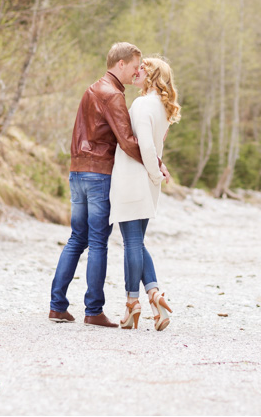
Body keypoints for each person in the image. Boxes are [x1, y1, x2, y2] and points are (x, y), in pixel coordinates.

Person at [48, 43, 169, 327]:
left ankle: (57, 306)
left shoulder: (92, 89)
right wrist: (157, 164)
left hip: (77, 171)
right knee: (98, 241)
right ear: (121, 64)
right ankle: (93, 310)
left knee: (77, 239)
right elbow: (127, 142)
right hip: (99, 174)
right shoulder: (113, 95)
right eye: (135, 65)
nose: (137, 71)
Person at [110, 56, 180, 331]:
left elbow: (147, 148)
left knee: (131, 243)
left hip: (134, 178)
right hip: (147, 182)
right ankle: (155, 295)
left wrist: (153, 173)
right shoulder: (161, 107)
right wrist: (156, 176)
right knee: (136, 242)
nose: (137, 71)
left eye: (143, 69)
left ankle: (132, 302)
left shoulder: (141, 104)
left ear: (152, 76)